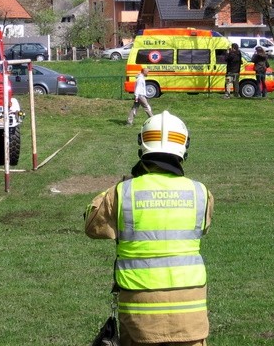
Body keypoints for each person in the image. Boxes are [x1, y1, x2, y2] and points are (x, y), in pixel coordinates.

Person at [85, 111, 214, 346]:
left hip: (139, 314)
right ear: (184, 148)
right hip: (191, 314)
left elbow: (92, 225)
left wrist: (123, 184)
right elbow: (202, 227)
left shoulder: (122, 192)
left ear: (142, 147)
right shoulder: (201, 192)